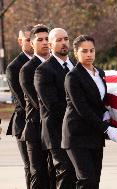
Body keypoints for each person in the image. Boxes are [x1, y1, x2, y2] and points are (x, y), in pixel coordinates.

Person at [62, 35, 117, 189]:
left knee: (95, 180)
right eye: (84, 51)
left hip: (94, 135)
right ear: (76, 53)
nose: (89, 54)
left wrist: (109, 114)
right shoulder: (72, 77)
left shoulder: (100, 73)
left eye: (91, 50)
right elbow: (82, 109)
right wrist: (107, 129)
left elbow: (101, 101)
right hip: (76, 135)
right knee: (87, 179)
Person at [34, 28, 76, 188]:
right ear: (50, 45)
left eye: (66, 39)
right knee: (66, 174)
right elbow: (52, 105)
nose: (64, 42)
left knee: (81, 176)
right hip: (56, 133)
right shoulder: (43, 70)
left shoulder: (77, 66)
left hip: (78, 133)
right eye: (58, 40)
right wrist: (80, 114)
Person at [19, 24, 51, 189]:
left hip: (54, 129)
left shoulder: (59, 66)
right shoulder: (27, 69)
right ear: (31, 43)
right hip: (36, 130)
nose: (45, 42)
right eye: (40, 40)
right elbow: (37, 102)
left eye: (47, 39)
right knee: (38, 175)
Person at [5, 25, 34, 189]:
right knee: (31, 167)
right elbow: (22, 101)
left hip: (46, 123)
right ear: (20, 41)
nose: (31, 43)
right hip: (24, 124)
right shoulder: (14, 67)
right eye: (28, 40)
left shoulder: (46, 62)